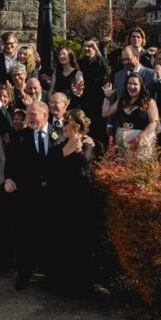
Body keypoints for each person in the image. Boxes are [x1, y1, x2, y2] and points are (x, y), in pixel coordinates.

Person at [3, 101, 53, 289]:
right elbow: (11, 162)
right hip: (26, 194)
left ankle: (48, 275)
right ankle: (24, 275)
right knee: (24, 235)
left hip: (50, 195)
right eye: (28, 114)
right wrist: (8, 179)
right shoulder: (20, 137)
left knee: (47, 235)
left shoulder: (59, 134)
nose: (29, 117)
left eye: (33, 114)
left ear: (45, 116)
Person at [46, 108, 96, 294]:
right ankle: (60, 283)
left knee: (79, 241)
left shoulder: (88, 144)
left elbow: (85, 168)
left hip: (80, 201)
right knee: (61, 240)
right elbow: (50, 166)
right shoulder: (59, 145)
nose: (63, 126)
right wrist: (66, 152)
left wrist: (81, 150)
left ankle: (79, 285)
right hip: (60, 200)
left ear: (76, 125)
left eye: (67, 123)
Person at [103, 73, 159, 159]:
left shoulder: (149, 102)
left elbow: (153, 123)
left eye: (135, 84)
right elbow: (105, 113)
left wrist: (139, 138)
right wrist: (107, 97)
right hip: (123, 145)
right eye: (129, 83)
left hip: (142, 144)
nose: (131, 86)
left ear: (141, 86)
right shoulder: (122, 100)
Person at [78, 39, 108, 140]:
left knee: (96, 130)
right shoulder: (80, 62)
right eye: (85, 46)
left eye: (90, 46)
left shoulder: (99, 61)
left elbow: (105, 69)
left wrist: (98, 51)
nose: (86, 48)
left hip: (97, 100)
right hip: (83, 99)